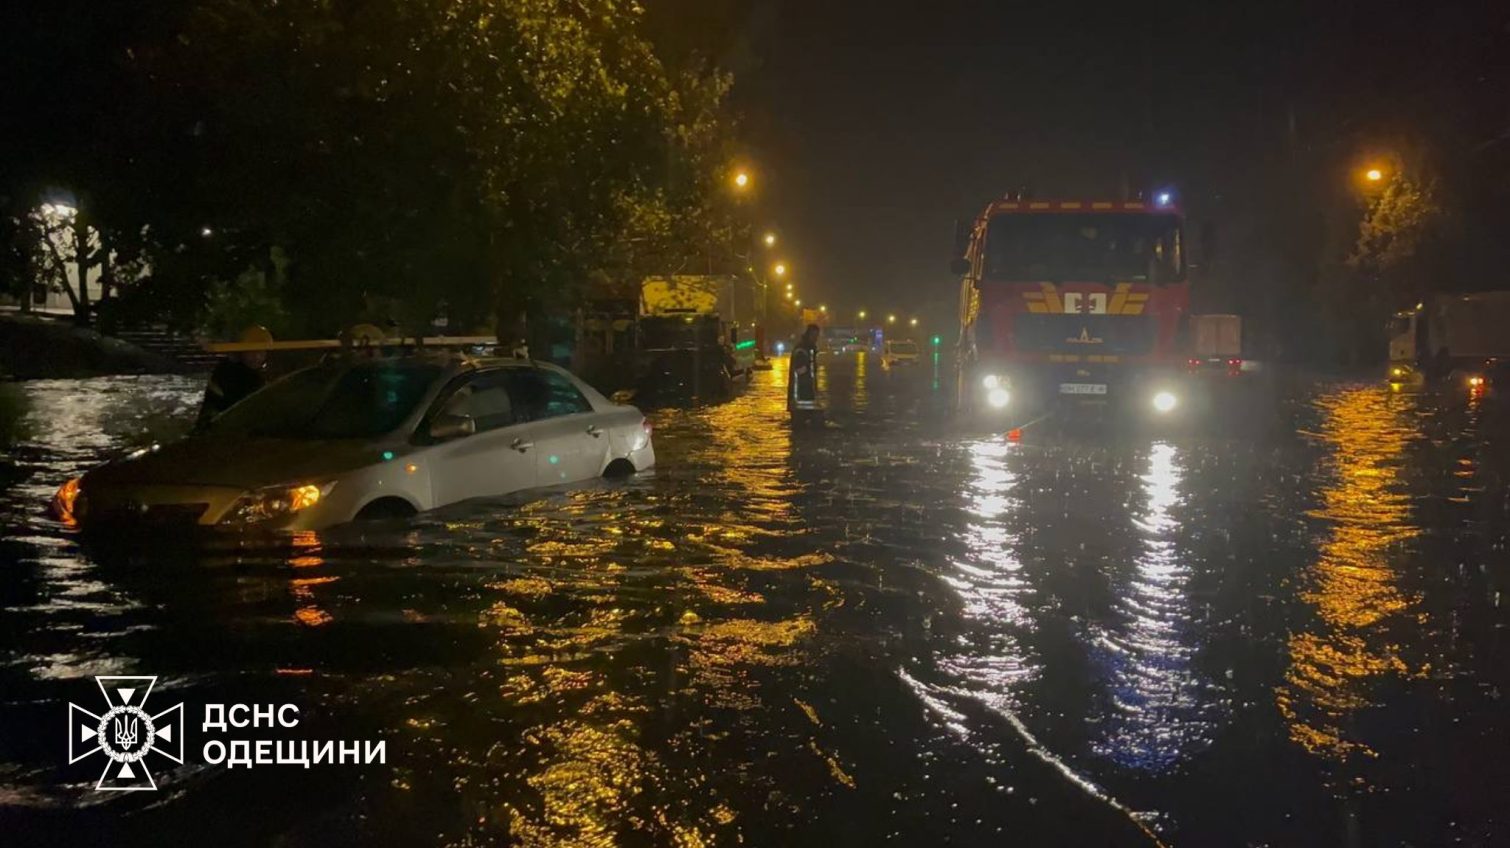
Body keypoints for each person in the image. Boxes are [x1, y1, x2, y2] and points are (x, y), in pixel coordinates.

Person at [196, 325, 272, 429]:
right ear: (241, 352)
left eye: (261, 352)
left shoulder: (258, 372)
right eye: (252, 352)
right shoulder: (228, 372)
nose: (257, 357)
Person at [788, 324, 821, 418]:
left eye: (817, 336)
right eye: (814, 336)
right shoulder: (802, 350)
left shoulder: (808, 348)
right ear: (809, 334)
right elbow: (799, 371)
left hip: (806, 395)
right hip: (801, 396)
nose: (816, 338)